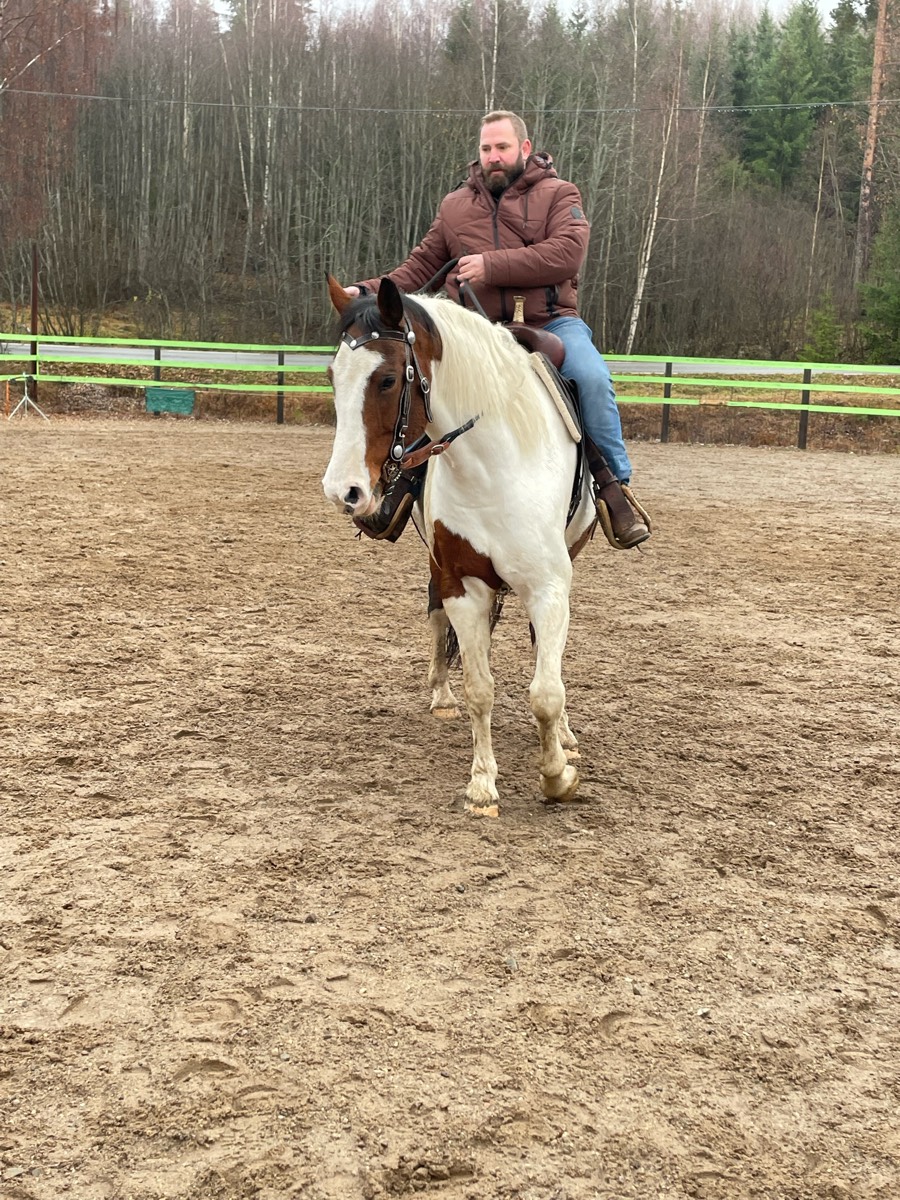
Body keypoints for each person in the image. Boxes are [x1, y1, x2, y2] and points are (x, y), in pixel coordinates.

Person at [343, 109, 650, 550]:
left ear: (524, 148)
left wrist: (492, 266)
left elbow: (566, 254)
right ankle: (402, 489)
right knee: (425, 386)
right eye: (486, 148)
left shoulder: (560, 194)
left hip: (551, 322)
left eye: (502, 147)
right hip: (476, 332)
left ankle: (614, 488)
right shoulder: (455, 206)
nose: (493, 156)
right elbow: (421, 267)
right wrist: (366, 290)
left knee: (592, 378)